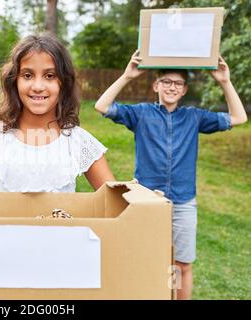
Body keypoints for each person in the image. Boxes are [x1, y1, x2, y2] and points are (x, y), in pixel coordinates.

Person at [95, 50, 248, 299]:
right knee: (148, 262)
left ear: (185, 90)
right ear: (156, 85)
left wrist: (225, 82)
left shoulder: (194, 117)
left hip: (183, 203)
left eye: (178, 83)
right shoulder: (141, 114)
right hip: (148, 202)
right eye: (166, 81)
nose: (172, 87)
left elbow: (239, 117)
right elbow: (102, 106)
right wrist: (127, 76)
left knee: (181, 264)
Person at [0, 33, 114, 192]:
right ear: (14, 81)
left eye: (49, 76)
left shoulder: (80, 142)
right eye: (27, 75)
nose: (37, 86)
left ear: (64, 82)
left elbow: (117, 203)